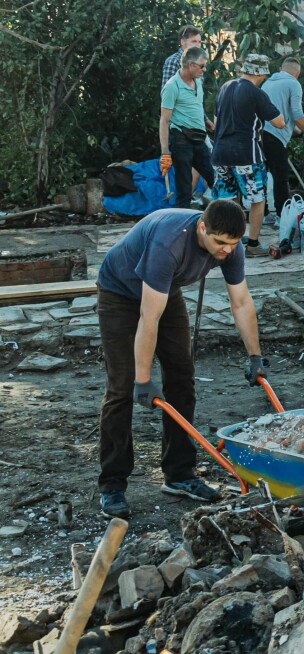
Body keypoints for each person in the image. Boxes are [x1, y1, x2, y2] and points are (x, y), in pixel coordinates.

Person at [95, 200, 268, 519]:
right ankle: (112, 485)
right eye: (219, 243)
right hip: (120, 293)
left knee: (182, 377)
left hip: (164, 290)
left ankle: (179, 474)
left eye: (232, 244)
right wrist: (144, 380)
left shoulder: (230, 246)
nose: (226, 251)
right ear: (202, 228)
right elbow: (149, 317)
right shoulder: (169, 242)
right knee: (122, 388)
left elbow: (241, 302)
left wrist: (255, 355)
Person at [211, 54, 285, 254]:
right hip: (246, 154)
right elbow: (280, 122)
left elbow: (216, 124)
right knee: (257, 199)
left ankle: (225, 242)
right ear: (261, 74)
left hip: (219, 153)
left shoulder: (225, 87)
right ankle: (252, 244)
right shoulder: (255, 93)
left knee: (226, 200)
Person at [259, 57, 304, 216]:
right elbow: (297, 114)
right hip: (274, 136)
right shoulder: (293, 83)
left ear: (281, 69)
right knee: (281, 178)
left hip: (259, 135)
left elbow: (282, 115)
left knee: (263, 176)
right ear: (297, 74)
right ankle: (282, 216)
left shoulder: (268, 83)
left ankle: (263, 214)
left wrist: (300, 133)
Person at [159, 47, 215, 210]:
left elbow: (196, 106)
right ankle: (179, 228)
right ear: (190, 65)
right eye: (202, 66)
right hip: (181, 140)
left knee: (216, 179)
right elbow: (164, 120)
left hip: (199, 139)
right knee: (184, 188)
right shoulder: (172, 86)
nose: (204, 70)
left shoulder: (197, 82)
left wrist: (206, 121)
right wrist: (165, 153)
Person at [161, 24, 202, 89]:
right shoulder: (174, 61)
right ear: (182, 42)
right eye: (194, 41)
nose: (198, 45)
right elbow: (167, 93)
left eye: (199, 42)